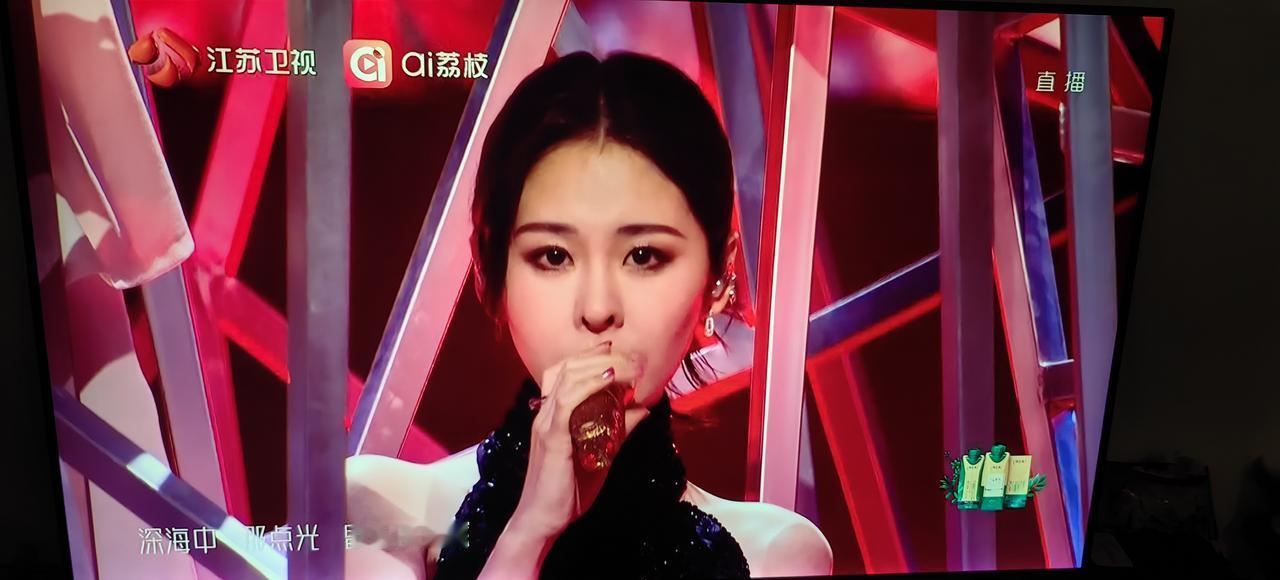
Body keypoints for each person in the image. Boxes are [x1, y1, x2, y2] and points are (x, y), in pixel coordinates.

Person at [345, 51, 832, 580]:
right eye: (554, 256)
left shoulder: (777, 554)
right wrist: (529, 533)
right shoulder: (381, 510)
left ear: (719, 276)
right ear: (488, 270)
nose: (598, 309)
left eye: (644, 256)